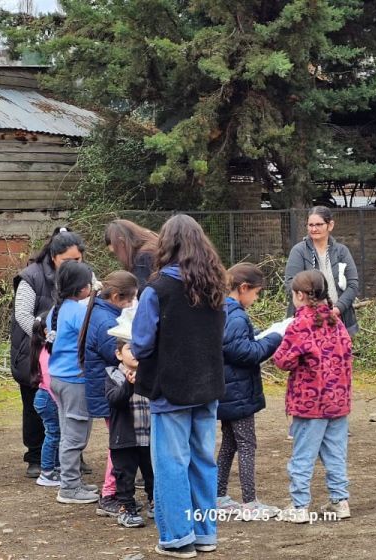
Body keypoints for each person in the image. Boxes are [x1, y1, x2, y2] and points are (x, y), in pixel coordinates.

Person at [131, 214, 226, 558]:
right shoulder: (217, 285)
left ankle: (177, 538)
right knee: (202, 461)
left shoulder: (157, 290)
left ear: (166, 245)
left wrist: (128, 349)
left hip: (170, 388)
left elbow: (141, 344)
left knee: (171, 464)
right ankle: (205, 533)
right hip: (207, 386)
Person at [274, 270, 353, 524]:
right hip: (338, 399)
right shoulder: (335, 320)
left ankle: (299, 506)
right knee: (335, 454)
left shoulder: (299, 324)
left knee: (303, 456)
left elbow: (283, 360)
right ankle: (340, 501)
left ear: (299, 295)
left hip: (309, 402)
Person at [11, 229, 86, 479]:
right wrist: (44, 335)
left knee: (69, 404)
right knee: (36, 402)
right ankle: (35, 456)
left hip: (66, 352)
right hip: (34, 351)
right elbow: (22, 314)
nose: (74, 265)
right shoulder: (30, 277)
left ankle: (71, 454)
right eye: (68, 260)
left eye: (78, 260)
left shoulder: (83, 276)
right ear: (54, 256)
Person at [216, 263, 284, 516]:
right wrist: (275, 338)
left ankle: (218, 493)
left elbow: (235, 341)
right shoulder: (236, 314)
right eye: (255, 293)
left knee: (230, 444)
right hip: (238, 393)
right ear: (243, 288)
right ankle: (250, 503)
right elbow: (243, 352)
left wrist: (260, 334)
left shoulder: (223, 309)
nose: (255, 299)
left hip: (227, 392)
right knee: (246, 445)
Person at [78, 271, 138, 516]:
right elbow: (117, 353)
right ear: (116, 296)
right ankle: (110, 494)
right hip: (110, 391)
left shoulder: (103, 313)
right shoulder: (107, 322)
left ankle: (114, 491)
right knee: (119, 444)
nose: (133, 303)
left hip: (104, 389)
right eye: (130, 298)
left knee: (119, 442)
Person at [45, 260, 99, 504]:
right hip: (74, 381)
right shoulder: (78, 311)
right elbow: (93, 337)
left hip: (58, 378)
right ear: (81, 289)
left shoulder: (57, 309)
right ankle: (69, 487)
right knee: (75, 435)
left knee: (68, 431)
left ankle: (73, 480)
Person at [104, 310, 155, 529]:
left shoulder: (151, 374)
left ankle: (156, 502)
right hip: (124, 438)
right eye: (128, 348)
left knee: (153, 473)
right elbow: (115, 400)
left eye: (138, 348)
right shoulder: (113, 375)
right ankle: (126, 507)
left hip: (149, 435)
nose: (134, 353)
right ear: (118, 354)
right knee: (124, 475)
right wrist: (129, 385)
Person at [284, 206, 360, 336]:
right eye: (310, 225)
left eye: (319, 224)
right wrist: (313, 310)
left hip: (339, 319)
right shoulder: (299, 251)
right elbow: (291, 284)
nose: (314, 229)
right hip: (306, 322)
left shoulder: (342, 251)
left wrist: (337, 309)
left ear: (330, 225)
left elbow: (353, 284)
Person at [104, 219, 159, 288]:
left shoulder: (143, 257)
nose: (118, 258)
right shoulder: (153, 242)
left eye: (116, 252)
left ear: (122, 242)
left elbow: (139, 291)